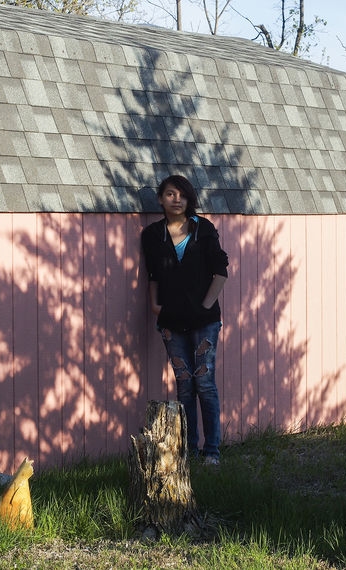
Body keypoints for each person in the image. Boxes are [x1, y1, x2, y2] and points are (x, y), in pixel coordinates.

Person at [141, 175, 229, 465]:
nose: (176, 199)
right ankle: (189, 449)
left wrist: (205, 305)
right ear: (161, 199)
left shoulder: (203, 229)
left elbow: (220, 272)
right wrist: (155, 306)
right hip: (171, 322)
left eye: (182, 194)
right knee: (184, 385)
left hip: (205, 321)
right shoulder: (153, 235)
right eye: (169, 194)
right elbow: (153, 274)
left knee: (204, 383)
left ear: (189, 199)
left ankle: (212, 451)